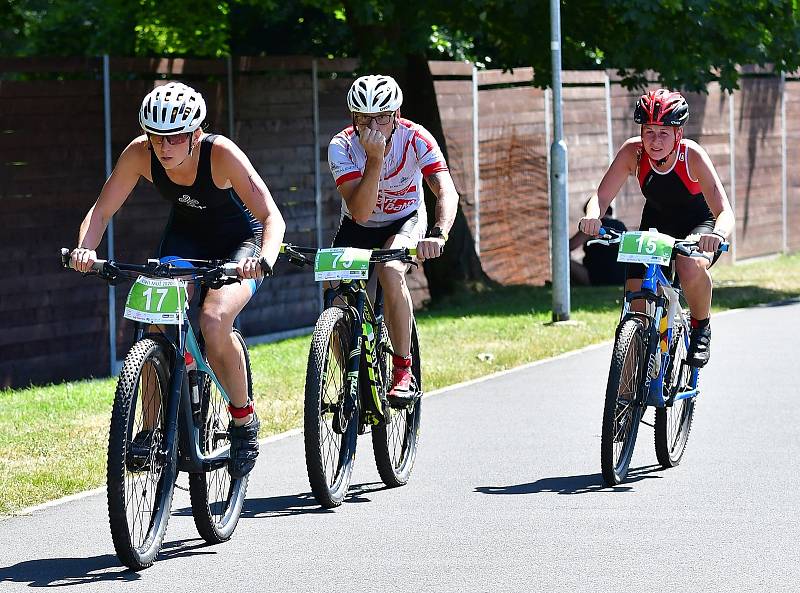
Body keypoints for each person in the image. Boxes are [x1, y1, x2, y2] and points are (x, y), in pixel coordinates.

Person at [70, 82, 285, 478]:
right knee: (158, 317)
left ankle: (243, 420)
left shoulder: (220, 154)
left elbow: (272, 216)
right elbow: (100, 212)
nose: (164, 147)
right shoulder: (139, 154)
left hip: (240, 242)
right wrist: (85, 249)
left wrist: (263, 261)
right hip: (185, 239)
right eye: (156, 138)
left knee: (214, 320)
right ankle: (151, 428)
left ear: (196, 134)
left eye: (175, 137)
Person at [578, 88, 735, 367]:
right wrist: (593, 216)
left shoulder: (692, 156)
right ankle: (634, 369)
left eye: (664, 132)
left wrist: (717, 235)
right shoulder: (633, 153)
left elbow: (724, 211)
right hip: (656, 224)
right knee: (636, 298)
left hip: (699, 225)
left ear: (678, 134)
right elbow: (600, 198)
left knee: (689, 266)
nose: (655, 140)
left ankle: (701, 328)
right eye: (649, 131)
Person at [328, 74, 459, 405]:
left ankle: (403, 370)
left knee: (390, 272)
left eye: (382, 117)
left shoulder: (417, 139)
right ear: (353, 119)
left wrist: (439, 233)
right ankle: (350, 376)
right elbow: (359, 212)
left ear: (396, 115)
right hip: (359, 222)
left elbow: (446, 190)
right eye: (363, 119)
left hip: (405, 220)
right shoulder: (341, 146)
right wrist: (374, 159)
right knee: (334, 287)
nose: (374, 126)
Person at [569, 203, 627, 286]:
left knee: (562, 258)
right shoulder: (621, 226)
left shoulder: (593, 226)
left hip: (596, 278)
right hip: (622, 278)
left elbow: (569, 246)